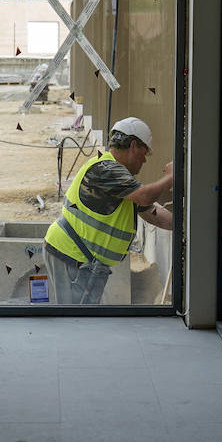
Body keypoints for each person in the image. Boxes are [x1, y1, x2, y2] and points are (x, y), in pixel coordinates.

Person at [44, 117, 174, 304]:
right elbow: (145, 197)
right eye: (144, 153)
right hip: (73, 257)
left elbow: (151, 213)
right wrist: (173, 176)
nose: (144, 160)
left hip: (81, 259)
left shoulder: (120, 179)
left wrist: (185, 226)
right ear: (133, 145)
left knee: (81, 319)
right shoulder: (105, 169)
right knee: (76, 323)